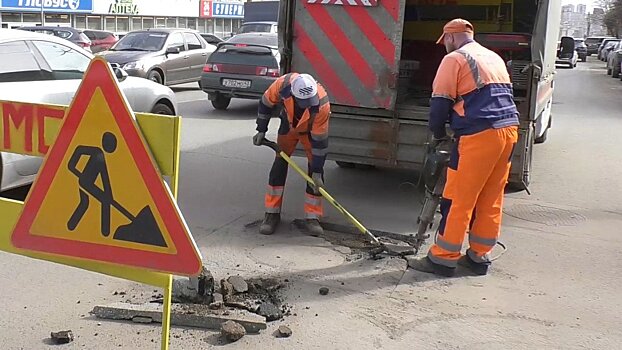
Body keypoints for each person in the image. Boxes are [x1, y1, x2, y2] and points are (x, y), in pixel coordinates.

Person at [409, 19, 519, 277]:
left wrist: (437, 135)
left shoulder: (454, 59)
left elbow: (439, 104)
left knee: (459, 197)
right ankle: (479, 256)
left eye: (444, 42)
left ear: (449, 38)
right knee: (490, 197)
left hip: (479, 135)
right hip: (509, 132)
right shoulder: (493, 57)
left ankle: (443, 258)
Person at [252, 73, 331, 236]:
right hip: (289, 127)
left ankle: (313, 216)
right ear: (292, 94)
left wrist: (317, 170)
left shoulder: (322, 104)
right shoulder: (282, 85)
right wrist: (261, 129)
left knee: (314, 172)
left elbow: (320, 143)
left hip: (310, 132)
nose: (307, 106)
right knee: (279, 165)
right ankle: (271, 214)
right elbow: (265, 103)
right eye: (303, 103)